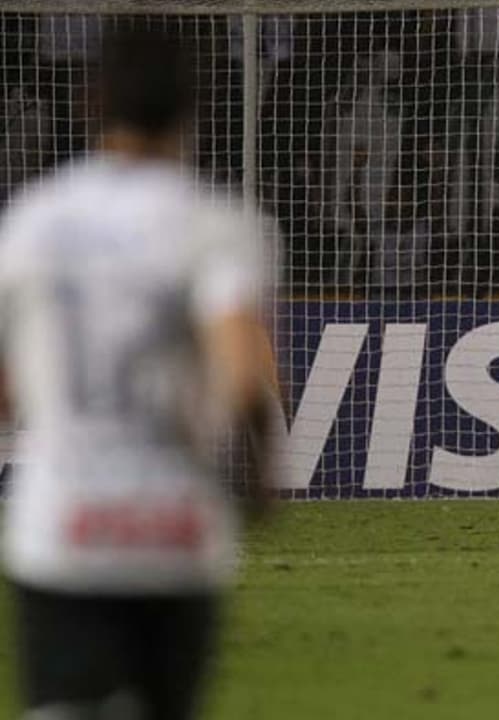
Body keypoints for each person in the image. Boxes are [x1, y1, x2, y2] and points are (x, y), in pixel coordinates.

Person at [0, 28, 276, 719]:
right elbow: (244, 374)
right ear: (195, 107)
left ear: (90, 101)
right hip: (176, 534)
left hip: (64, 530)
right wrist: (260, 478)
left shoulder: (33, 222)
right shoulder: (216, 225)